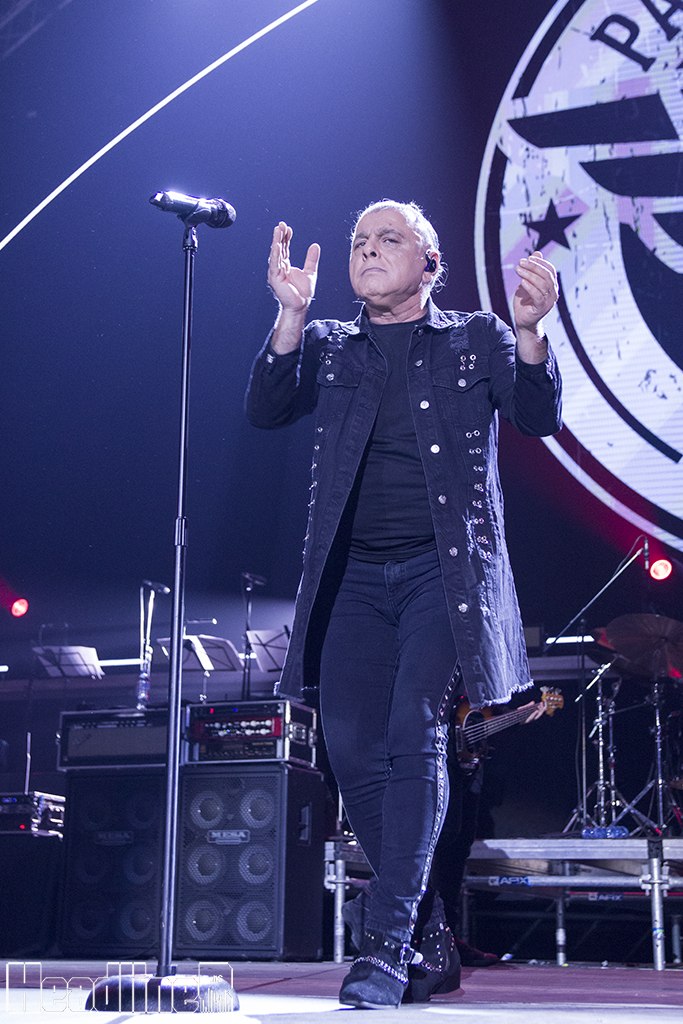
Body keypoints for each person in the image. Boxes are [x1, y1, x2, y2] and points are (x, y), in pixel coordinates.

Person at [245, 200, 562, 1008]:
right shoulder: (330, 344)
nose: (368, 251)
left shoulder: (477, 338)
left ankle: (384, 949)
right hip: (350, 577)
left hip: (442, 576)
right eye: (359, 241)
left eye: (388, 239)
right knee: (352, 754)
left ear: (430, 264)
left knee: (412, 735)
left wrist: (530, 332)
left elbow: (538, 416)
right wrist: (289, 318)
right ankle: (429, 932)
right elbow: (267, 410)